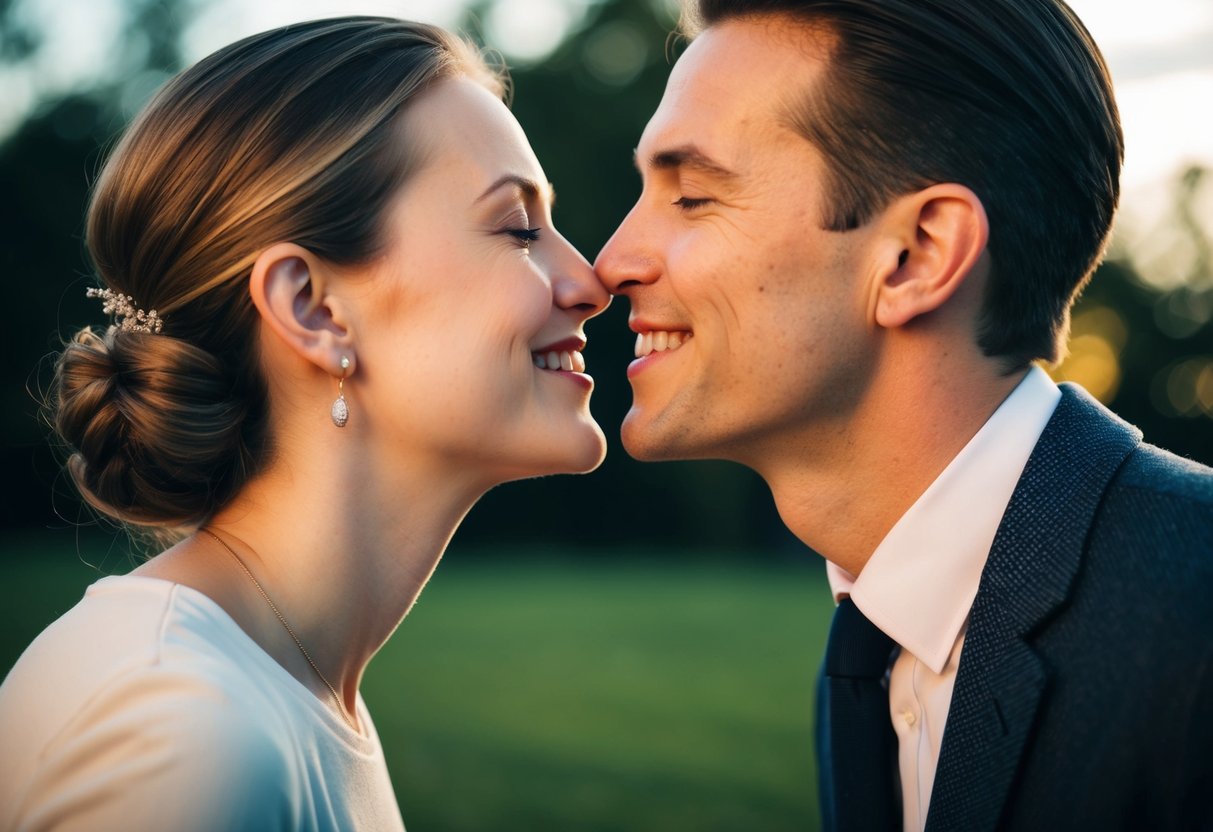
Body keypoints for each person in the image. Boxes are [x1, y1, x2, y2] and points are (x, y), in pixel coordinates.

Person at [594, 1, 1213, 829]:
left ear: (916, 256)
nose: (611, 261)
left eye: (694, 196)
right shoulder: (875, 643)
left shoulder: (1195, 621)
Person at [0, 16, 609, 831]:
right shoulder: (188, 740)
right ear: (312, 308)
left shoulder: (283, 691)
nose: (589, 280)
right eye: (516, 228)